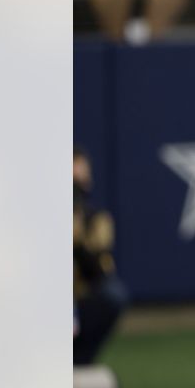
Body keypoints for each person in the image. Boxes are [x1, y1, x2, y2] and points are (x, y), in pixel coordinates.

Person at [74, 146, 127, 365]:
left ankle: (80, 361)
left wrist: (77, 243)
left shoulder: (97, 220)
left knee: (114, 294)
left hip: (82, 297)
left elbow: (101, 270)